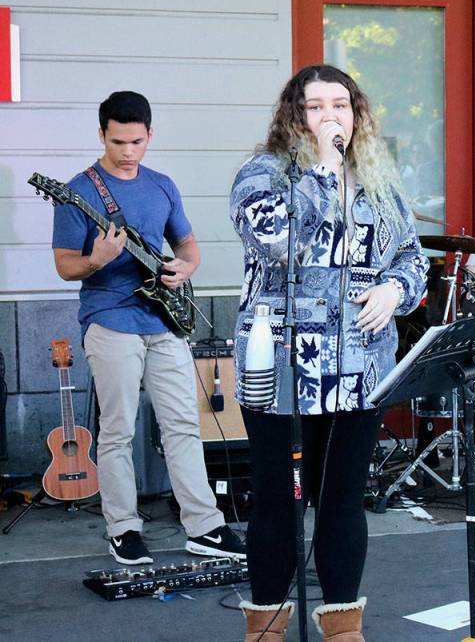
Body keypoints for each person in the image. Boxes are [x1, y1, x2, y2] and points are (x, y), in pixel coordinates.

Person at [229, 65, 428, 642]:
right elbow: (274, 243)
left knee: (343, 501)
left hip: (361, 369)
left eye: (339, 105)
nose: (330, 117)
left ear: (356, 112)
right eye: (315, 107)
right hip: (283, 370)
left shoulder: (378, 181)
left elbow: (412, 259)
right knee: (277, 504)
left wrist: (395, 291)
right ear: (295, 116)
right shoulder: (262, 174)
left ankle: (344, 627)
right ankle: (265, 628)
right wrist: (322, 170)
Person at [51, 91, 245, 566]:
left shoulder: (162, 185)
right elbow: (63, 265)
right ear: (102, 135)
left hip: (163, 319)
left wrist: (186, 268)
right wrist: (94, 259)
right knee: (117, 430)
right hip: (110, 319)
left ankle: (204, 526)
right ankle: (123, 529)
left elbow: (188, 243)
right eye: (118, 141)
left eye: (137, 141)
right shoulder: (78, 192)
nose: (128, 151)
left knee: (183, 423)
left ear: (150, 135)